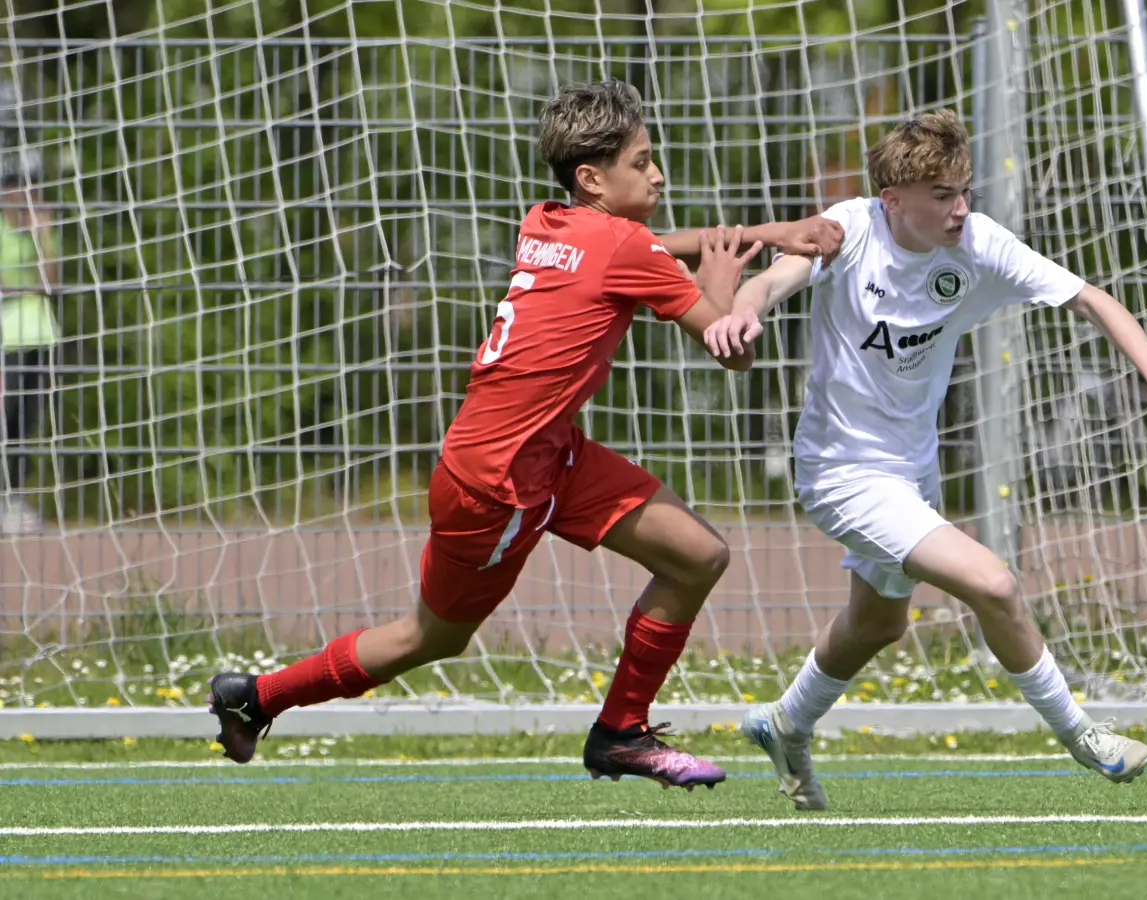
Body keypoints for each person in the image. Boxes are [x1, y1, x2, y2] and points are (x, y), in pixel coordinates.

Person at [206, 80, 843, 790]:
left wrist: (769, 235)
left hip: (546, 454)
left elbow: (652, 247)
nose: (658, 175)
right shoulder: (626, 247)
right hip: (498, 485)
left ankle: (620, 732)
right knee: (430, 637)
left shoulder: (547, 221)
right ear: (592, 178)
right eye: (642, 162)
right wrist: (722, 283)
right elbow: (733, 351)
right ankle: (257, 697)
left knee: (697, 556)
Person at [704, 110, 1147, 809]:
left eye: (965, 190)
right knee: (995, 585)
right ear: (893, 200)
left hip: (913, 472)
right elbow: (774, 278)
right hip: (841, 471)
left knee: (879, 624)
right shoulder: (850, 228)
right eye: (943, 195)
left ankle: (787, 723)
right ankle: (1082, 735)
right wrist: (746, 308)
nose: (960, 208)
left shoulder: (979, 243)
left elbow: (1092, 300)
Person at [0, 164, 58, 534]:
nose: (28, 199)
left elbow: (50, 282)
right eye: (21, 191)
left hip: (40, 335)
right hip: (6, 338)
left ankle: (14, 497)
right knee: (5, 419)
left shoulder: (40, 232)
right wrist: (26, 288)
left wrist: (41, 237)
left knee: (27, 420)